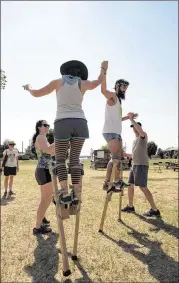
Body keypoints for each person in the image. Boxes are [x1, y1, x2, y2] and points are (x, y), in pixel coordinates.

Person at [23, 60, 106, 203]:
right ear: (80, 73)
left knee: (60, 159)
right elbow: (98, 81)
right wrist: (104, 68)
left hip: (62, 122)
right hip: (80, 123)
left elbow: (36, 94)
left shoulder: (58, 82)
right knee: (74, 159)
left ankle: (65, 193)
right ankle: (76, 194)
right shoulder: (83, 83)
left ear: (66, 71)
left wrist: (28, 87)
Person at [100, 61, 137, 191]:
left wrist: (129, 117)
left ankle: (118, 181)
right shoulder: (113, 96)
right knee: (115, 157)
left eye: (126, 87)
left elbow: (118, 119)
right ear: (117, 86)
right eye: (123, 86)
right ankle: (109, 182)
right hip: (110, 132)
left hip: (115, 131)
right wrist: (104, 71)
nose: (125, 89)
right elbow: (103, 90)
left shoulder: (118, 101)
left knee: (118, 157)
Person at [122, 118, 161, 217]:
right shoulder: (134, 140)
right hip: (134, 164)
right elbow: (135, 154)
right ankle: (131, 206)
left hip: (141, 164)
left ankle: (154, 209)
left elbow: (140, 130)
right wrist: (127, 154)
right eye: (133, 127)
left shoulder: (143, 136)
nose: (134, 128)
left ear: (139, 127)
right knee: (130, 185)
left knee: (142, 187)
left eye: (135, 126)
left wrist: (131, 119)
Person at [32, 120, 55, 235]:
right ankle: (37, 227)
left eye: (48, 125)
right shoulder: (41, 137)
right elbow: (49, 150)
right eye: (45, 125)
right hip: (43, 171)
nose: (47, 127)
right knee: (47, 200)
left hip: (43, 171)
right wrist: (59, 140)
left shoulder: (43, 138)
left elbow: (51, 153)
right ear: (39, 127)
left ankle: (42, 218)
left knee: (45, 199)